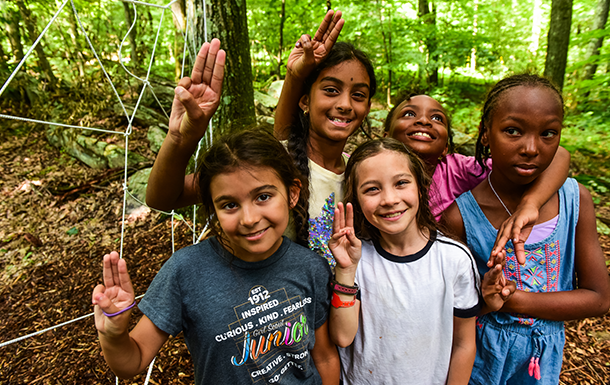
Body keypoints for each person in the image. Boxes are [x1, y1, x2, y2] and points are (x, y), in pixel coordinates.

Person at [92, 42, 340, 385]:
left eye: (264, 196)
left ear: (292, 193)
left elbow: (324, 355)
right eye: (229, 205)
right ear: (211, 207)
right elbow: (131, 361)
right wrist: (113, 334)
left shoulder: (309, 267)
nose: (250, 218)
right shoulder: (185, 272)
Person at [145, 11, 363, 268]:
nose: (345, 104)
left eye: (359, 95)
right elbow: (162, 199)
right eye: (331, 90)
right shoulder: (276, 161)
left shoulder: (359, 170)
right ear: (305, 99)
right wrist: (180, 139)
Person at [442, 74, 610, 385]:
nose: (531, 148)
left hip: (541, 368)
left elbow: (598, 298)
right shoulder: (460, 217)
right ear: (485, 135)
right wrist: (485, 294)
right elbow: (448, 306)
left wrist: (514, 299)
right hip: (476, 365)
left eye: (548, 133)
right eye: (512, 131)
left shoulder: (575, 201)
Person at [326, 138, 483, 384]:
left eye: (401, 183)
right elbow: (342, 337)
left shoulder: (454, 259)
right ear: (355, 199)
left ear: (420, 187)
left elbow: (464, 344)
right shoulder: (355, 258)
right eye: (372, 189)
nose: (389, 199)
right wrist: (346, 271)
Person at [383, 94, 571, 266]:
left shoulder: (456, 170)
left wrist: (531, 203)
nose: (423, 120)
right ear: (385, 138)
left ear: (445, 148)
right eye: (409, 114)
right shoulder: (370, 172)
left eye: (437, 118)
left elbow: (559, 155)